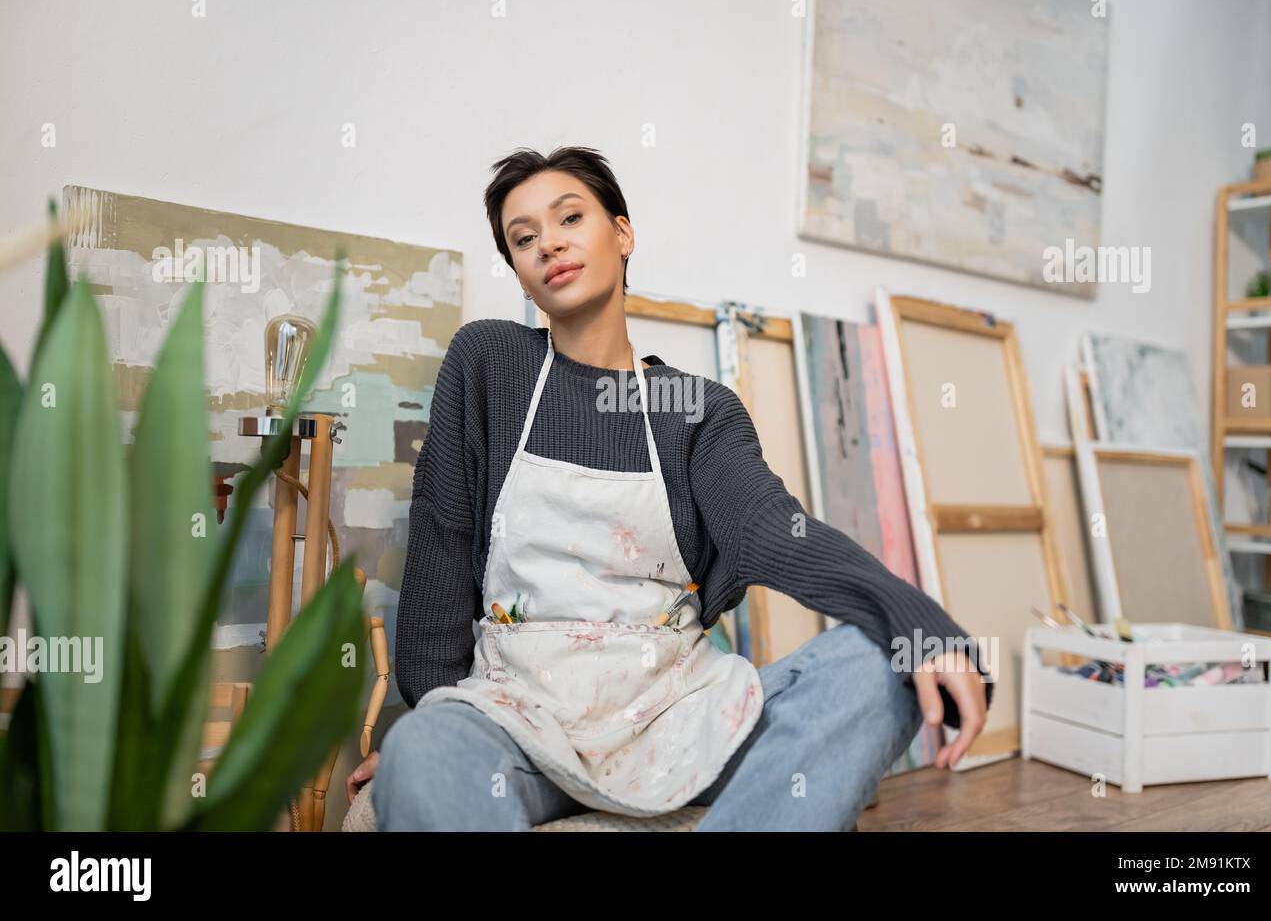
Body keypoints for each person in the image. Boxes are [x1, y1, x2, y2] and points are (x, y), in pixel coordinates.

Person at [347, 146, 993, 830]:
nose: (550, 244)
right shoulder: (490, 363)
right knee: (421, 746)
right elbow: (442, 545)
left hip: (676, 714)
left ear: (622, 234)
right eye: (524, 238)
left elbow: (773, 530)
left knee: (873, 663)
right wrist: (431, 723)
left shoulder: (695, 407)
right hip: (518, 715)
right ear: (520, 276)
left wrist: (921, 625)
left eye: (570, 218)